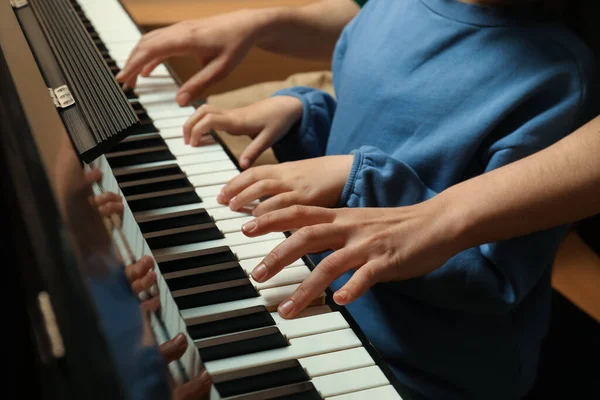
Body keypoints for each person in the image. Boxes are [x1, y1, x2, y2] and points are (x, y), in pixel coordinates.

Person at [169, 1, 597, 399]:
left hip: (421, 367)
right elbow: (362, 141)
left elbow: (491, 279)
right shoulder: (388, 8)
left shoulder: (561, 80)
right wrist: (304, 115)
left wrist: (362, 181)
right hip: (324, 307)